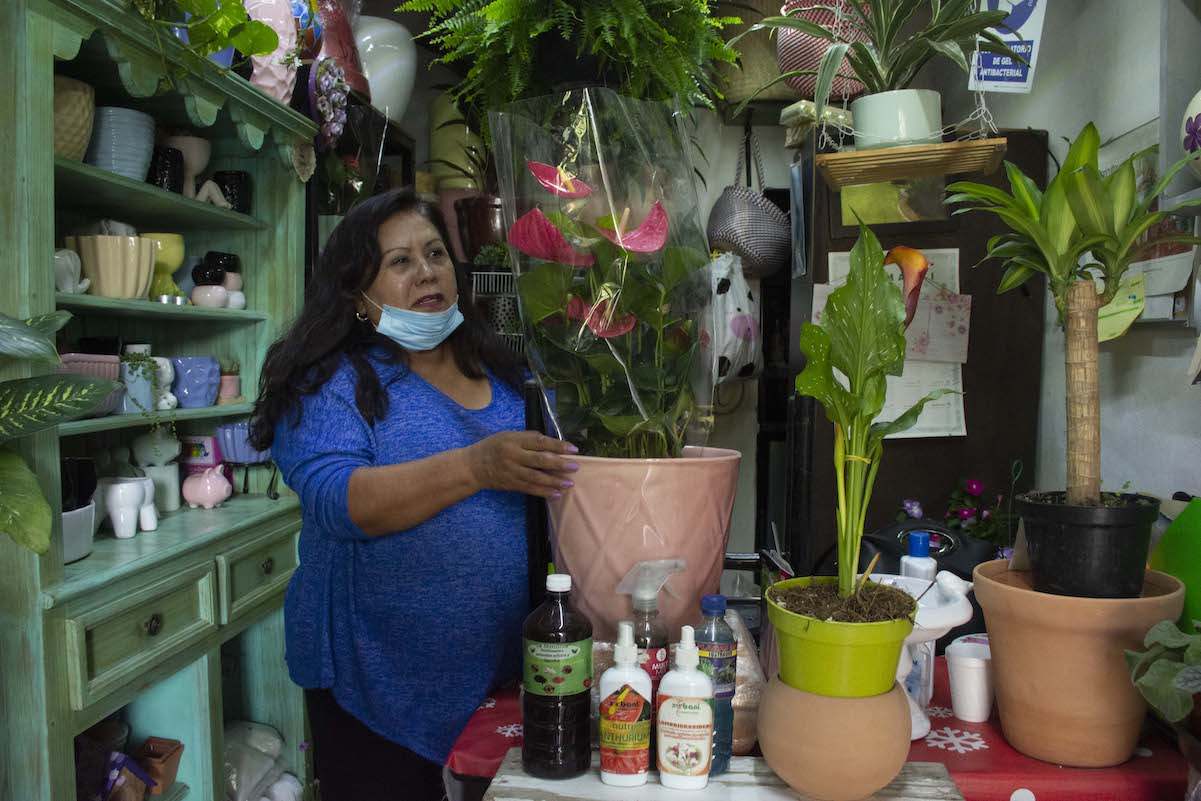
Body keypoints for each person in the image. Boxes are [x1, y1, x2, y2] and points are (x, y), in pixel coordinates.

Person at [250, 190, 577, 801]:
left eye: (435, 254)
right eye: (399, 263)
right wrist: (478, 466)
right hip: (375, 687)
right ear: (355, 296)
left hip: (501, 677)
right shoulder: (330, 383)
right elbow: (339, 501)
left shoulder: (507, 376)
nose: (426, 272)